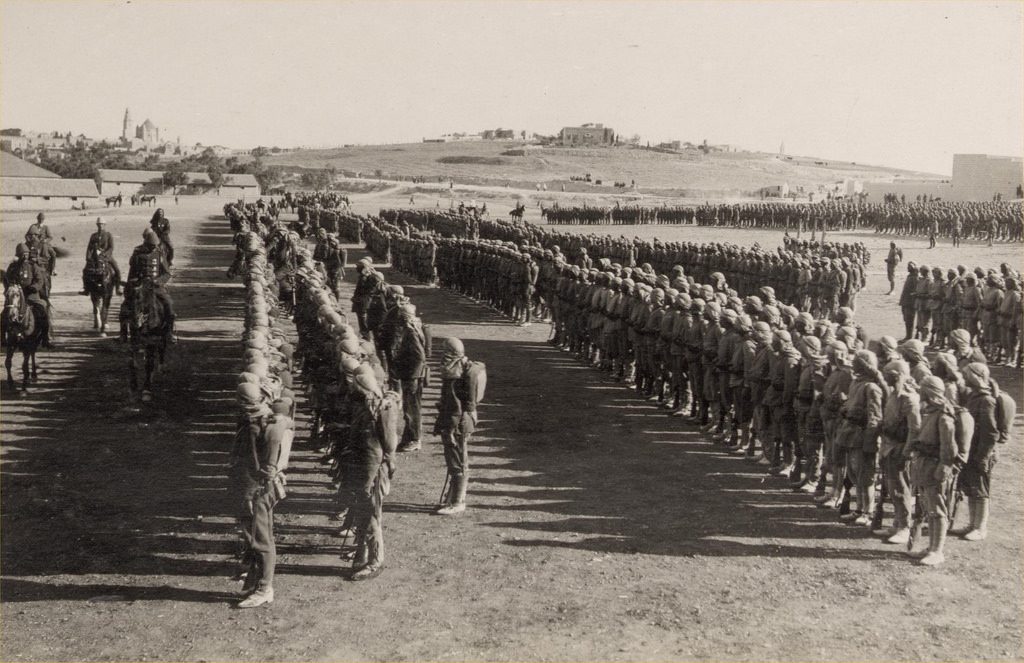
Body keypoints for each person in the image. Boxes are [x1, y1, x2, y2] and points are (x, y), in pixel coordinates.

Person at [906, 376, 965, 566]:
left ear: (929, 392)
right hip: (925, 466)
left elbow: (949, 449)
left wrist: (944, 469)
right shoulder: (931, 412)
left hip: (935, 468)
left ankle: (937, 551)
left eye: (923, 389)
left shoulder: (944, 417)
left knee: (938, 511)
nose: (920, 392)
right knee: (929, 509)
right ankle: (931, 547)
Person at [434, 337, 482, 515]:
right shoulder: (465, 367)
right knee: (459, 460)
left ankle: (457, 502)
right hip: (463, 421)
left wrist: (449, 430)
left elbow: (454, 408)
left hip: (456, 424)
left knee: (457, 461)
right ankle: (453, 497)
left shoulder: (454, 375)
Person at [955, 363, 999, 541]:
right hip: (971, 450)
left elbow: (991, 433)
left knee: (980, 489)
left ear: (976, 376)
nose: (964, 377)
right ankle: (972, 524)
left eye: (967, 374)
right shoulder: (974, 396)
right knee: (972, 488)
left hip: (980, 452)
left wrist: (983, 456)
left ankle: (980, 527)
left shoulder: (986, 400)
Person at [126, 228, 176, 343]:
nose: (154, 247)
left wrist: (158, 281)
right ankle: (125, 333)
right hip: (141, 286)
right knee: (128, 306)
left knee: (169, 304)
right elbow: (132, 273)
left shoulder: (159, 254)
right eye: (152, 246)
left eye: (155, 245)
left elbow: (167, 273)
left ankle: (169, 333)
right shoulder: (138, 254)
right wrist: (134, 283)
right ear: (146, 244)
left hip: (156, 286)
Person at [391, 302, 428, 453]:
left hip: (412, 377)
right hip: (413, 375)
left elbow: (420, 357)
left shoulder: (411, 333)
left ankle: (414, 439)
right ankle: (408, 438)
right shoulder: (416, 327)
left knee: (411, 409)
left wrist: (412, 376)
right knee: (411, 408)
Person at [79, 217, 123, 296]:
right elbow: (89, 248)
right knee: (85, 271)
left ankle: (117, 288)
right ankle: (86, 288)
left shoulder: (108, 235)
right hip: (95, 257)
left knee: (117, 270)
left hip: (107, 257)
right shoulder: (93, 236)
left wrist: (105, 254)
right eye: (99, 224)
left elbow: (111, 247)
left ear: (105, 225)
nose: (100, 226)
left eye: (102, 224)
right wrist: (88, 257)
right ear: (97, 225)